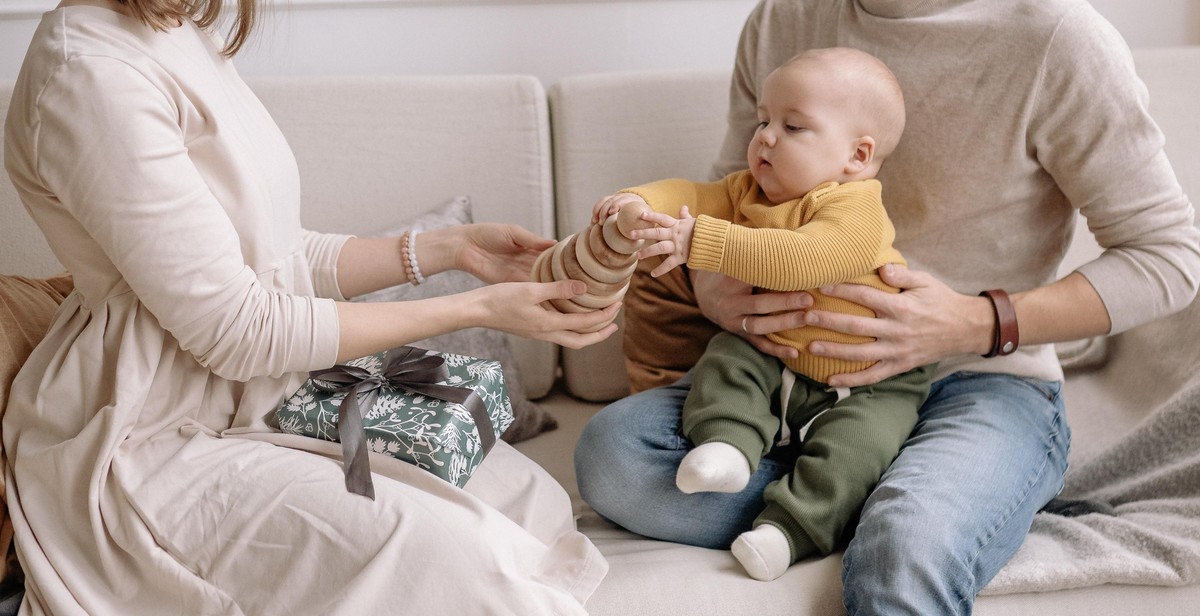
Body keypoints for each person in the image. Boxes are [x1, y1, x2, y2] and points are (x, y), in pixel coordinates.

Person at [575, 0, 1200, 613]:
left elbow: (1169, 258)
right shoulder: (782, 18)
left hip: (981, 379)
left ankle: (891, 513)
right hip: (791, 370)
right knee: (615, 460)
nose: (768, 136)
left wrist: (976, 321)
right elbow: (730, 196)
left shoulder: (1059, 39)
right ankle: (853, 499)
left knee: (905, 549)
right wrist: (714, 289)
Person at [2, 1, 617, 613]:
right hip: (158, 432)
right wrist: (477, 307)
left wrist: (450, 249)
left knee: (530, 503)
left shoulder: (177, 27)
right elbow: (239, 329)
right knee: (454, 564)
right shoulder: (89, 72)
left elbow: (275, 254)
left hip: (271, 393)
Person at [591, 47, 933, 581]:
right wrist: (637, 200)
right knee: (729, 357)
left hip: (872, 383)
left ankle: (788, 531)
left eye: (793, 126)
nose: (766, 137)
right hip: (777, 359)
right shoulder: (748, 190)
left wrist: (699, 241)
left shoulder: (856, 209)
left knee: (856, 451)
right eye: (763, 121)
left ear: (857, 156)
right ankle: (727, 446)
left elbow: (803, 260)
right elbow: (692, 195)